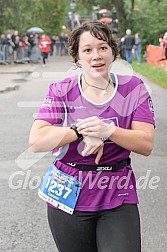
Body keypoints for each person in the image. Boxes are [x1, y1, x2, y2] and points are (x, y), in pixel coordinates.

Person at [29, 21, 155, 252]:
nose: (96, 56)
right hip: (69, 193)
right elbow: (37, 141)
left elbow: (145, 143)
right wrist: (81, 130)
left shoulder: (133, 88)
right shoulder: (61, 90)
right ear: (77, 58)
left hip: (117, 189)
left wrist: (108, 131)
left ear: (113, 52)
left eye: (103, 48)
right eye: (87, 50)